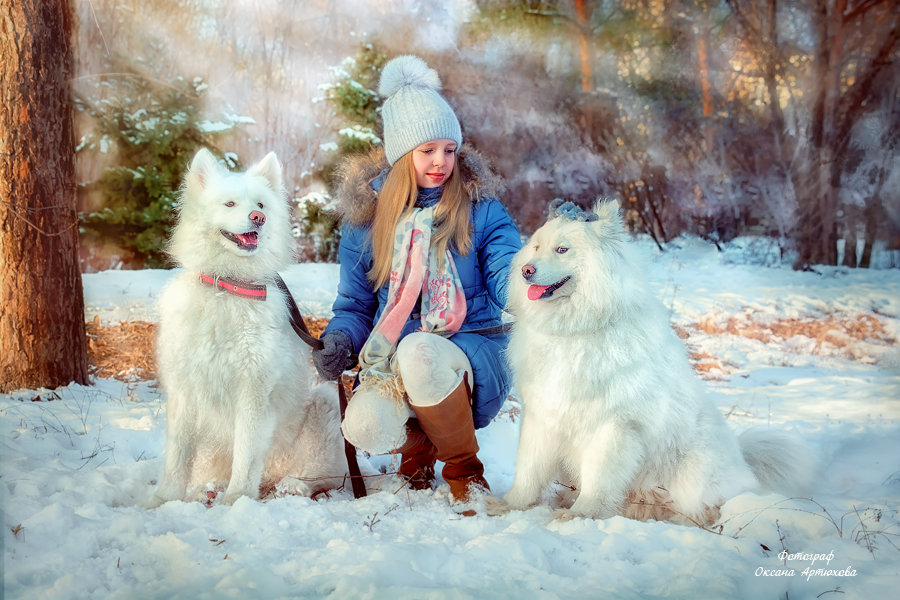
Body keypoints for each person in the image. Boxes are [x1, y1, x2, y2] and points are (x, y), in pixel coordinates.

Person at [312, 55, 521, 503]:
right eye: (427, 151)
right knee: (367, 423)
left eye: (449, 150)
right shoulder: (366, 223)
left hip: (468, 351)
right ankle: (416, 449)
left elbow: (508, 273)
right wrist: (342, 342)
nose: (441, 162)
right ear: (402, 155)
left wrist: (540, 277)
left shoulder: (481, 209)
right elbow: (354, 304)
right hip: (390, 360)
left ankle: (466, 474)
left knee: (419, 349)